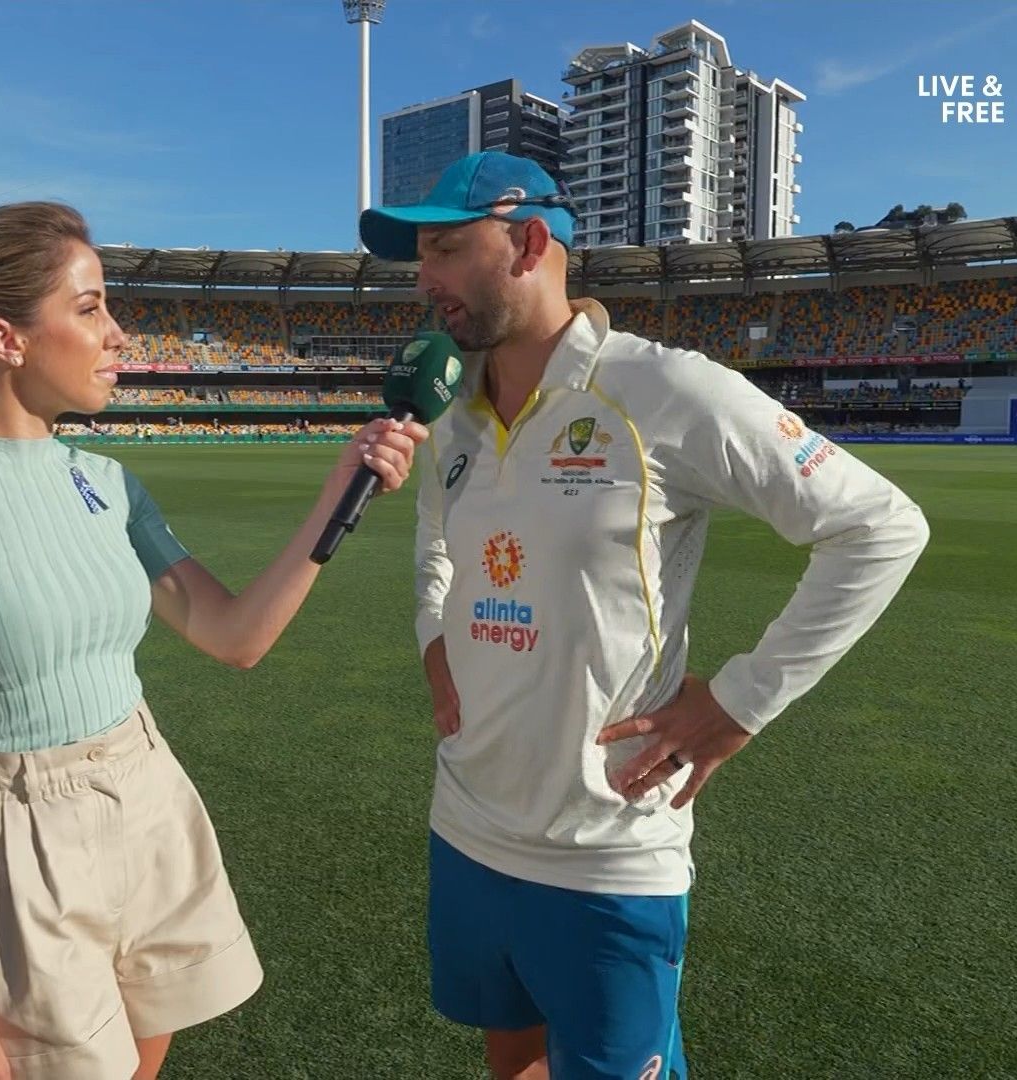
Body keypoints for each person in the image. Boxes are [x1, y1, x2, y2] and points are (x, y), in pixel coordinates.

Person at [361, 152, 930, 1080]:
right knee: (512, 1065)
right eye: (420, 255)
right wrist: (435, 636)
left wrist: (740, 702)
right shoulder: (452, 414)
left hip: (605, 854)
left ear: (529, 243)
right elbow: (436, 541)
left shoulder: (661, 390)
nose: (424, 279)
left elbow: (879, 527)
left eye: (446, 249)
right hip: (466, 826)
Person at [0, 200, 426, 1080]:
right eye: (90, 307)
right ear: (6, 339)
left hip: (147, 788)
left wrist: (342, 489)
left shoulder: (108, 481)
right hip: (17, 836)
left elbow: (234, 636)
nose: (118, 334)